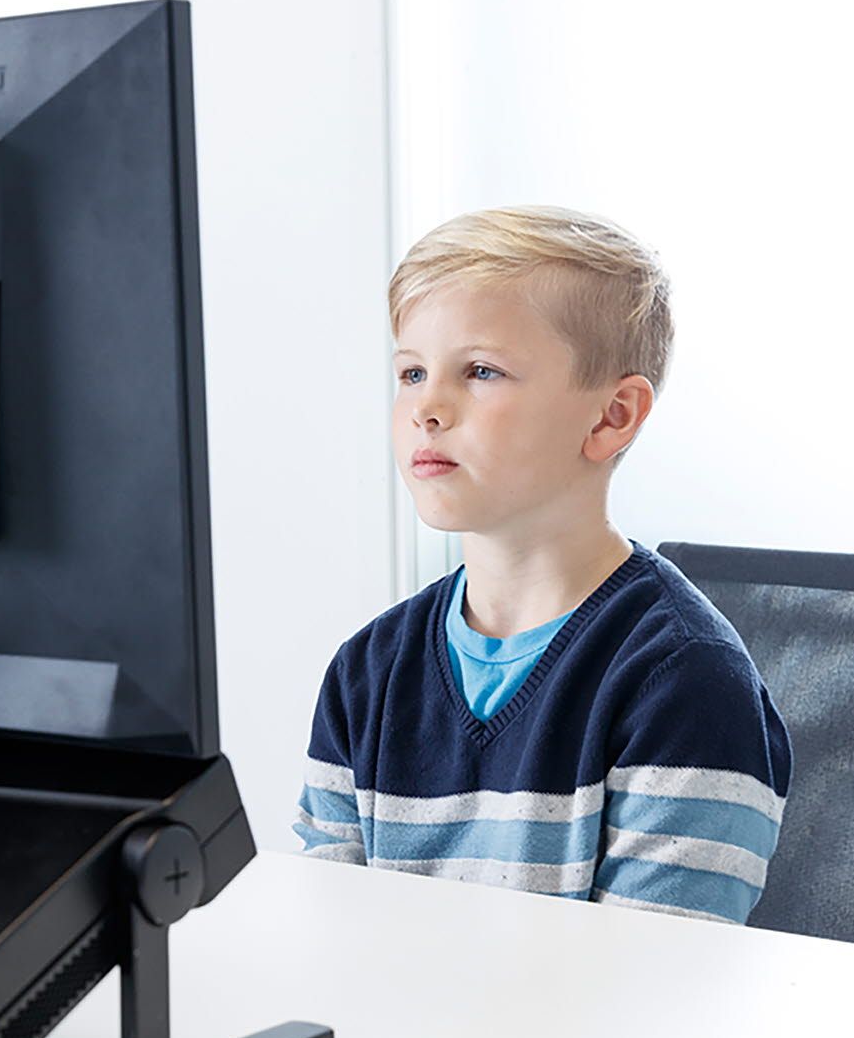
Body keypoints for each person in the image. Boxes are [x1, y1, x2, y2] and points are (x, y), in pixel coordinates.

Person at [293, 206, 792, 924]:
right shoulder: (366, 672)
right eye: (410, 371)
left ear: (611, 416)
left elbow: (654, 995)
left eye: (482, 370)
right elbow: (333, 939)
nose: (426, 408)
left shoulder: (685, 682)